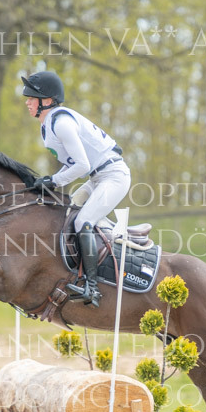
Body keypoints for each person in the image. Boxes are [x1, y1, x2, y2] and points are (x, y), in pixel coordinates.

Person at [22, 70, 131, 307]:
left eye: (31, 98)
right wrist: (48, 181)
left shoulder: (61, 124)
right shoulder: (49, 124)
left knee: (83, 222)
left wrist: (53, 181)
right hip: (97, 177)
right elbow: (75, 164)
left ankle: (92, 288)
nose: (27, 102)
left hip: (113, 176)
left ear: (47, 100)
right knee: (68, 213)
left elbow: (82, 165)